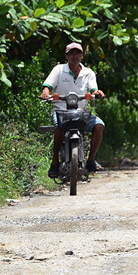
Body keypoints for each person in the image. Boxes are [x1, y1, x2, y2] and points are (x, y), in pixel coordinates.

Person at [41, 42, 106, 178]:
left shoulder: (88, 73)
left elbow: (93, 89)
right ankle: (55, 161)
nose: (74, 56)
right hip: (60, 111)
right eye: (71, 53)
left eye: (77, 53)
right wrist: (46, 93)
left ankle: (91, 160)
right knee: (60, 127)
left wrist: (97, 93)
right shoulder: (59, 70)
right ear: (66, 56)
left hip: (81, 112)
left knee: (99, 125)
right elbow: (48, 86)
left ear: (82, 56)